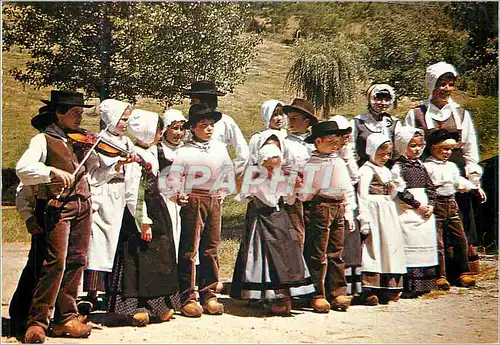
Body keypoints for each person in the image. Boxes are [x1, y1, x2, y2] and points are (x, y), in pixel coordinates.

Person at [15, 90, 102, 343]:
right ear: (59, 113)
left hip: (83, 205)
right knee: (54, 263)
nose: (80, 118)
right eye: (75, 113)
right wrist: (51, 171)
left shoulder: (78, 140)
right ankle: (38, 321)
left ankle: (66, 318)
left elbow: (95, 171)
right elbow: (23, 169)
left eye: (81, 113)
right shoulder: (43, 140)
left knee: (77, 260)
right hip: (57, 206)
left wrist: (107, 157)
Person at [404, 62, 486, 274]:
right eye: (442, 84)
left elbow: (470, 147)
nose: (446, 88)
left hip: (454, 174)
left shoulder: (460, 113)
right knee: (432, 222)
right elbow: (407, 146)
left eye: (450, 84)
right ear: (432, 85)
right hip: (425, 175)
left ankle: (461, 269)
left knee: (459, 221)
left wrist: (473, 179)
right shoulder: (416, 114)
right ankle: (435, 271)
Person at [106, 109, 178, 326]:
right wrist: (143, 221)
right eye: (157, 131)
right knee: (139, 259)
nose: (159, 135)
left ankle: (158, 305)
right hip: (141, 212)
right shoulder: (135, 155)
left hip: (157, 208)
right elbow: (133, 192)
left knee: (158, 258)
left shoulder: (152, 152)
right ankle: (135, 307)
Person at [231, 129, 314, 315]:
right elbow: (268, 198)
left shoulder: (280, 175)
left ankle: (284, 296)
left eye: (274, 167)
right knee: (262, 256)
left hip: (280, 220)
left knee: (286, 255)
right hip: (262, 220)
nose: (272, 171)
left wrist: (293, 187)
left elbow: (290, 200)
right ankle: (264, 295)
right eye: (268, 167)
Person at [167, 103, 235, 317]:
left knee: (211, 247)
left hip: (213, 199)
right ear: (193, 128)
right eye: (203, 125)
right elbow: (174, 177)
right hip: (193, 200)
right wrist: (178, 194)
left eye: (211, 125)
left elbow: (228, 172)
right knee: (189, 248)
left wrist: (223, 191)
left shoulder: (219, 148)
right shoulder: (185, 151)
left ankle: (209, 292)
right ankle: (187, 295)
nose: (208, 129)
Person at [83, 99, 135, 312]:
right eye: (123, 119)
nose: (126, 123)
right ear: (111, 118)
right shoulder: (98, 142)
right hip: (104, 195)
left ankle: (113, 292)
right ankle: (91, 293)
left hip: (122, 194)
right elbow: (93, 176)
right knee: (99, 244)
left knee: (118, 242)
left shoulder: (126, 142)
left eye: (127, 119)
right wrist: (117, 166)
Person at [298, 121, 356, 312]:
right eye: (330, 141)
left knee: (336, 251)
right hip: (321, 206)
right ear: (318, 141)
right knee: (318, 251)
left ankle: (337, 291)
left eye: (337, 141)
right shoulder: (312, 164)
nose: (334, 145)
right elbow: (307, 192)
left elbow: (347, 187)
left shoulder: (338, 161)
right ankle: (317, 293)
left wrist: (349, 210)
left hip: (338, 205)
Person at [423, 129, 481, 289]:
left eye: (450, 149)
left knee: (460, 238)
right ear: (433, 147)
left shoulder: (452, 166)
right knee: (438, 241)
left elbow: (458, 183)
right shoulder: (427, 166)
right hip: (436, 205)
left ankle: (464, 272)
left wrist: (474, 187)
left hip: (451, 204)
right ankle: (440, 275)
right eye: (444, 149)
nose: (448, 153)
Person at [357, 133, 407, 306]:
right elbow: (362, 195)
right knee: (374, 247)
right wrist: (364, 218)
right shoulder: (366, 170)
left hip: (387, 211)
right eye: (381, 154)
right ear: (371, 151)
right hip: (373, 211)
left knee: (389, 246)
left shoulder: (386, 171)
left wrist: (395, 187)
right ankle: (371, 288)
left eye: (388, 154)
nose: (385, 158)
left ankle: (390, 286)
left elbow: (391, 195)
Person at [392, 127, 438, 297]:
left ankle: (425, 284)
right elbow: (400, 191)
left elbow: (430, 187)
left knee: (425, 248)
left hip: (425, 213)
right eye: (413, 146)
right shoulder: (398, 167)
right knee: (410, 246)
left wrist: (431, 204)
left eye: (420, 146)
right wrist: (417, 205)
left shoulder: (421, 166)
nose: (417, 149)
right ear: (403, 146)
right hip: (408, 211)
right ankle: (409, 286)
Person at [184, 80, 249, 176]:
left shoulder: (225, 122)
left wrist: (231, 172)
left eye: (194, 100)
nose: (191, 103)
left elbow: (243, 150)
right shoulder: (190, 122)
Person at [282, 98, 319, 252]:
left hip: (315, 191)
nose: (290, 122)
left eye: (294, 119)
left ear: (306, 121)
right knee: (295, 231)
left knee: (315, 233)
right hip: (293, 192)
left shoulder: (315, 142)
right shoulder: (285, 142)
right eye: (289, 118)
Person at [155, 108, 188, 258]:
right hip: (163, 200)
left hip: (183, 201)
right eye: (174, 128)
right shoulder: (158, 150)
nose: (179, 133)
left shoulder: (186, 150)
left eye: (181, 129)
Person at [351, 84, 401, 167]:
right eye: (379, 99)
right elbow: (350, 149)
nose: (383, 103)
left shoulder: (394, 123)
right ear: (370, 99)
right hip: (365, 168)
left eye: (387, 99)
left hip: (388, 168)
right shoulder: (358, 122)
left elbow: (399, 151)